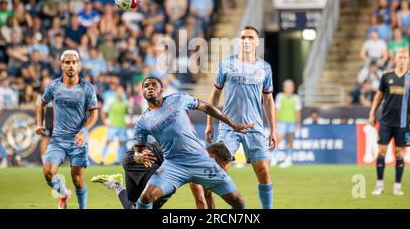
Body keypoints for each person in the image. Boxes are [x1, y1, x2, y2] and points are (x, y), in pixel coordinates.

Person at [133, 77, 252, 209]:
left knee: (237, 200)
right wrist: (139, 157)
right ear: (142, 91)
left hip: (200, 159)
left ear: (162, 89)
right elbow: (137, 151)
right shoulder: (142, 122)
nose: (150, 87)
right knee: (146, 197)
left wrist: (232, 124)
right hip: (173, 165)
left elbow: (206, 106)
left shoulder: (178, 99)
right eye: (146, 85)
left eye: (154, 85)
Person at [205, 25, 276, 209]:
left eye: (250, 38)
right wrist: (209, 122)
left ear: (256, 42)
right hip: (229, 126)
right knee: (219, 170)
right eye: (243, 37)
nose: (246, 41)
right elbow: (215, 95)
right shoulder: (227, 64)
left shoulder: (265, 68)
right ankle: (233, 207)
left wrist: (273, 130)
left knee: (263, 172)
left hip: (255, 127)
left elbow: (268, 101)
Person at [35, 50, 99, 209]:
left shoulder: (87, 88)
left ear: (79, 65)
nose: (70, 65)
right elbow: (41, 104)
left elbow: (94, 114)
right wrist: (39, 123)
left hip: (78, 140)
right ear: (62, 65)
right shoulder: (54, 86)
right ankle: (63, 193)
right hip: (58, 140)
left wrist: (84, 130)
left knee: (78, 180)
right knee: (48, 172)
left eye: (74, 62)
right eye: (67, 62)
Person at [92, 142, 232, 209]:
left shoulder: (199, 154)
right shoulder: (196, 160)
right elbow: (201, 200)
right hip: (144, 159)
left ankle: (116, 185)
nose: (217, 171)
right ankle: (116, 186)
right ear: (212, 157)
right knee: (164, 190)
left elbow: (207, 195)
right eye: (218, 166)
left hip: (146, 160)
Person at [369, 48, 410, 196]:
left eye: (405, 58)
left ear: (409, 60)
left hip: (403, 123)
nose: (402, 60)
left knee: (399, 154)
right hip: (386, 122)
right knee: (381, 151)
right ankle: (379, 184)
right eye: (399, 57)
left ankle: (397, 186)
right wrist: (372, 113)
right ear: (395, 59)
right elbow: (379, 96)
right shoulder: (387, 76)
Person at [274, 79, 301, 168]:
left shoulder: (296, 98)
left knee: (290, 141)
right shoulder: (280, 96)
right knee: (277, 140)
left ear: (293, 88)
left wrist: (298, 124)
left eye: (290, 87)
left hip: (292, 122)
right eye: (287, 87)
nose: (289, 88)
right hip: (282, 122)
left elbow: (297, 112)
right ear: (284, 88)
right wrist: (275, 122)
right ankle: (274, 158)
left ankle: (288, 159)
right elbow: (277, 110)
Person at [100, 86, 130, 165]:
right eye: (118, 91)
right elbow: (103, 111)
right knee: (108, 141)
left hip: (122, 126)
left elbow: (127, 113)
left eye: (121, 92)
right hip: (113, 126)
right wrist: (105, 121)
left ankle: (118, 160)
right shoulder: (111, 100)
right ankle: (102, 159)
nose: (120, 93)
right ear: (116, 92)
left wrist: (127, 120)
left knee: (122, 142)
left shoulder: (126, 102)